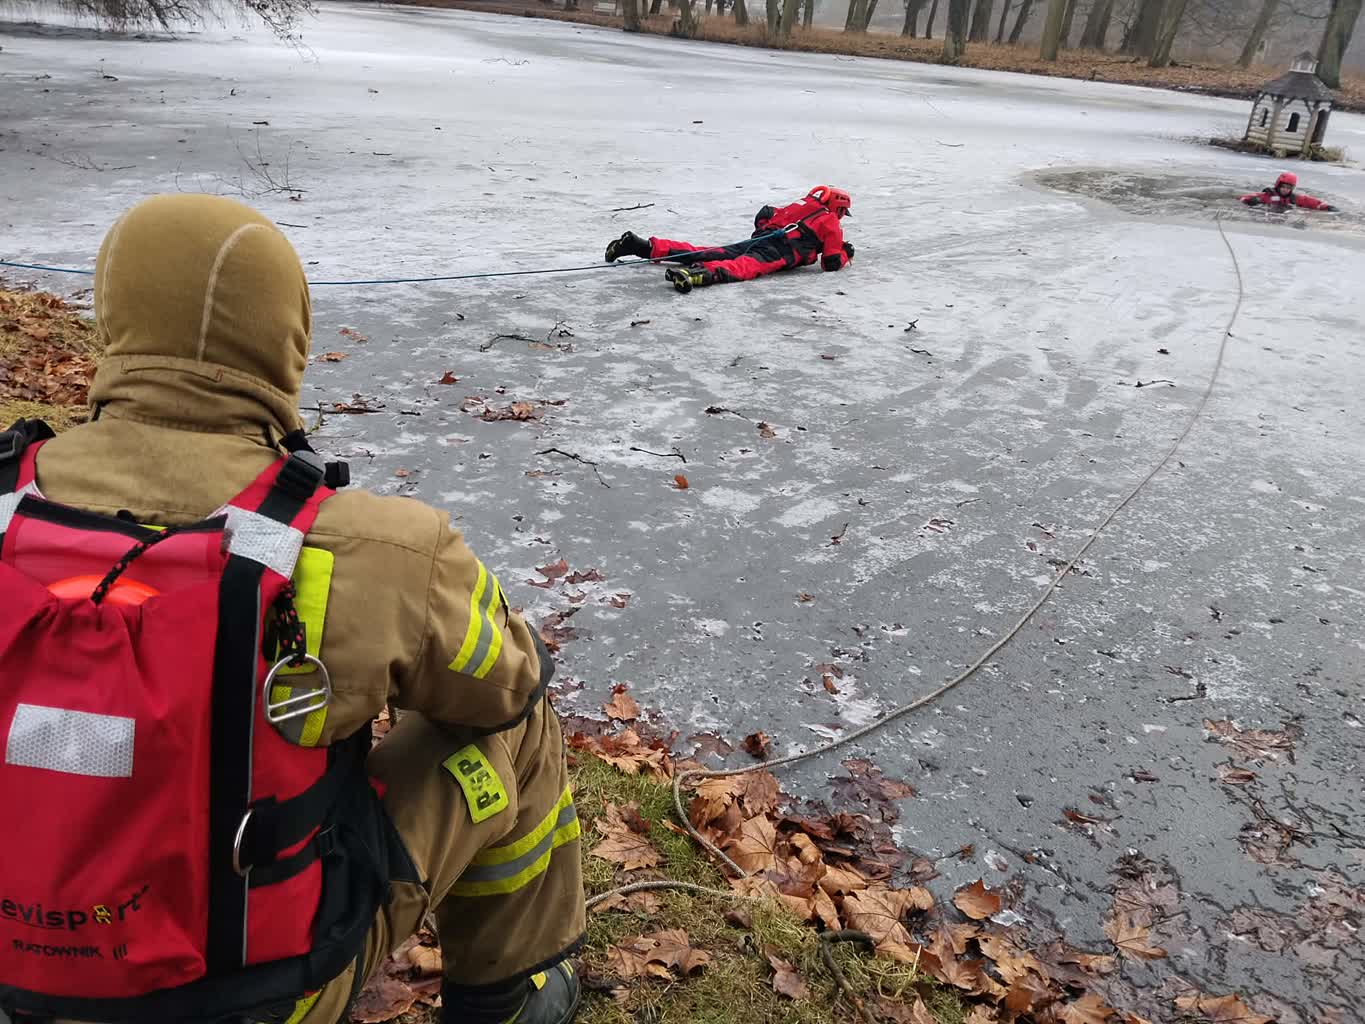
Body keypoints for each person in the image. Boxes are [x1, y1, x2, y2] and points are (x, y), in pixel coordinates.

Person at [0, 195, 584, 1024]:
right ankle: (506, 1000)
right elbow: (507, 685)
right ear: (285, 335)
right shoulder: (372, 545)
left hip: (14, 986)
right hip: (260, 1000)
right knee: (516, 735)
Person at [604, 185, 855, 293]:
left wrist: (762, 232)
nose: (842, 217)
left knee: (708, 251)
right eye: (843, 213)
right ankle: (696, 274)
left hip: (763, 238)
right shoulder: (830, 222)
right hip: (779, 251)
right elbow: (831, 263)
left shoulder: (801, 204)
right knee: (742, 267)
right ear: (839, 208)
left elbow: (766, 213)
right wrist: (845, 252)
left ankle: (642, 246)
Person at [1240, 171, 1335, 211]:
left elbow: (1311, 202)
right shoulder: (1268, 195)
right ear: (1278, 185)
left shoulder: (1293, 198)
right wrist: (1250, 200)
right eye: (1283, 187)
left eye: (1289, 188)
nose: (1285, 190)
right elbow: (1244, 197)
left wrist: (1326, 207)